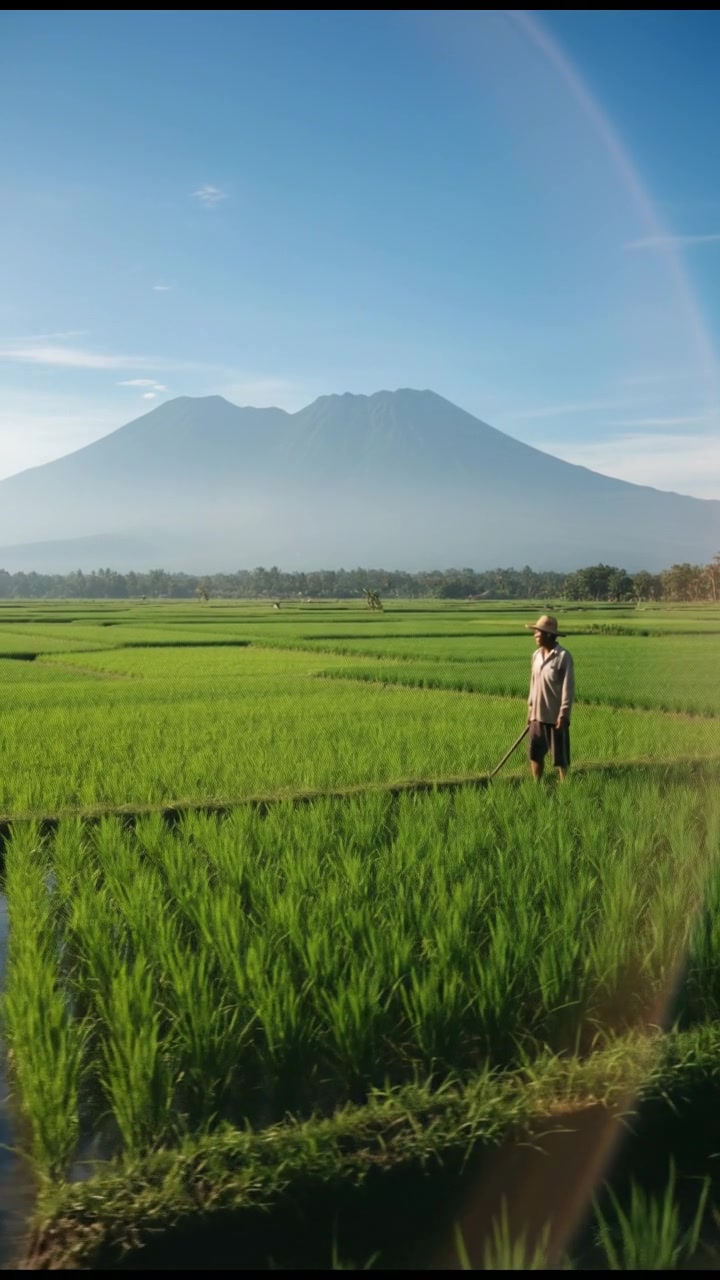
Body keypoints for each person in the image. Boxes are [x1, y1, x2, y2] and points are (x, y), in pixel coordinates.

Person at [524, 614, 574, 782]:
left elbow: (568, 687)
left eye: (538, 632)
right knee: (535, 754)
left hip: (555, 717)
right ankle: (536, 785)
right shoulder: (536, 656)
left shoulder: (563, 657)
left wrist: (564, 714)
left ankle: (565, 787)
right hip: (537, 716)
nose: (535, 635)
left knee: (560, 758)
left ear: (549, 635)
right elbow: (533, 684)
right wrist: (530, 710)